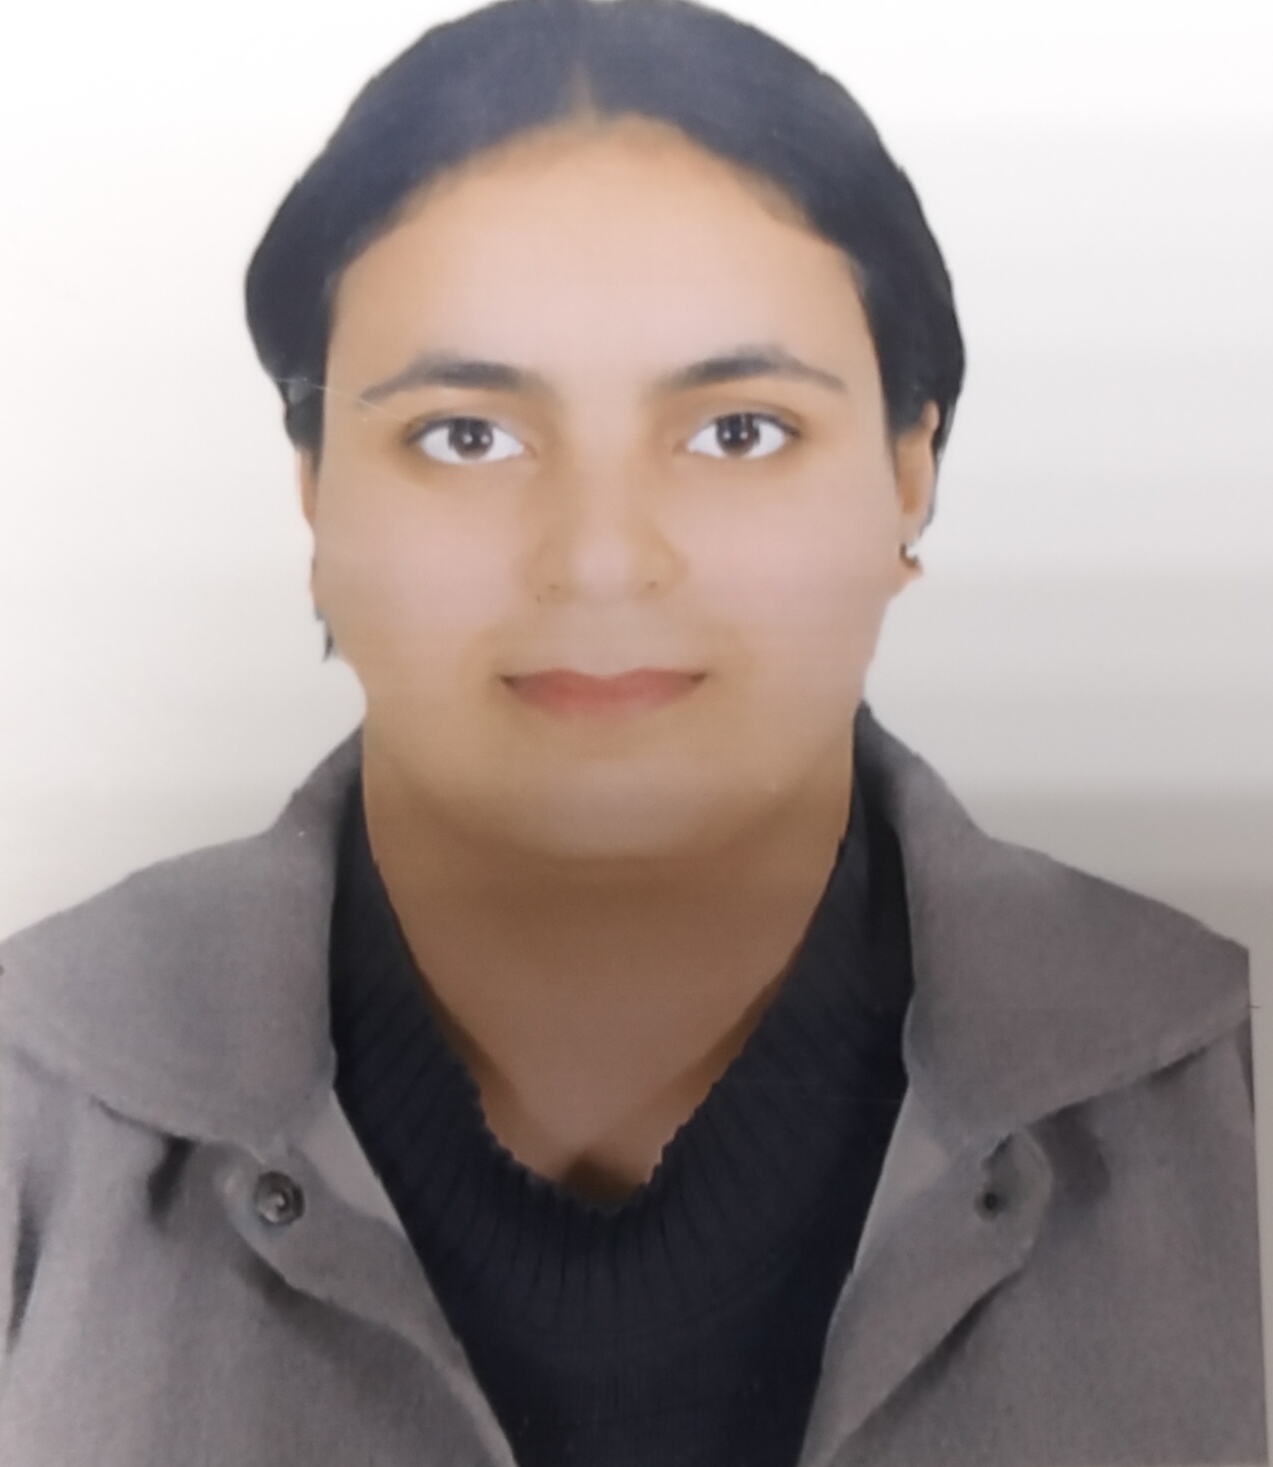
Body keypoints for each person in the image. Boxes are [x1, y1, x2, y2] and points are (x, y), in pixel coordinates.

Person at [0, 1, 1263, 1464]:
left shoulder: (1223, 1081)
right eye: (466, 434)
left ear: (911, 472)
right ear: (316, 492)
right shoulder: (38, 1093)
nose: (601, 564)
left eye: (738, 431)